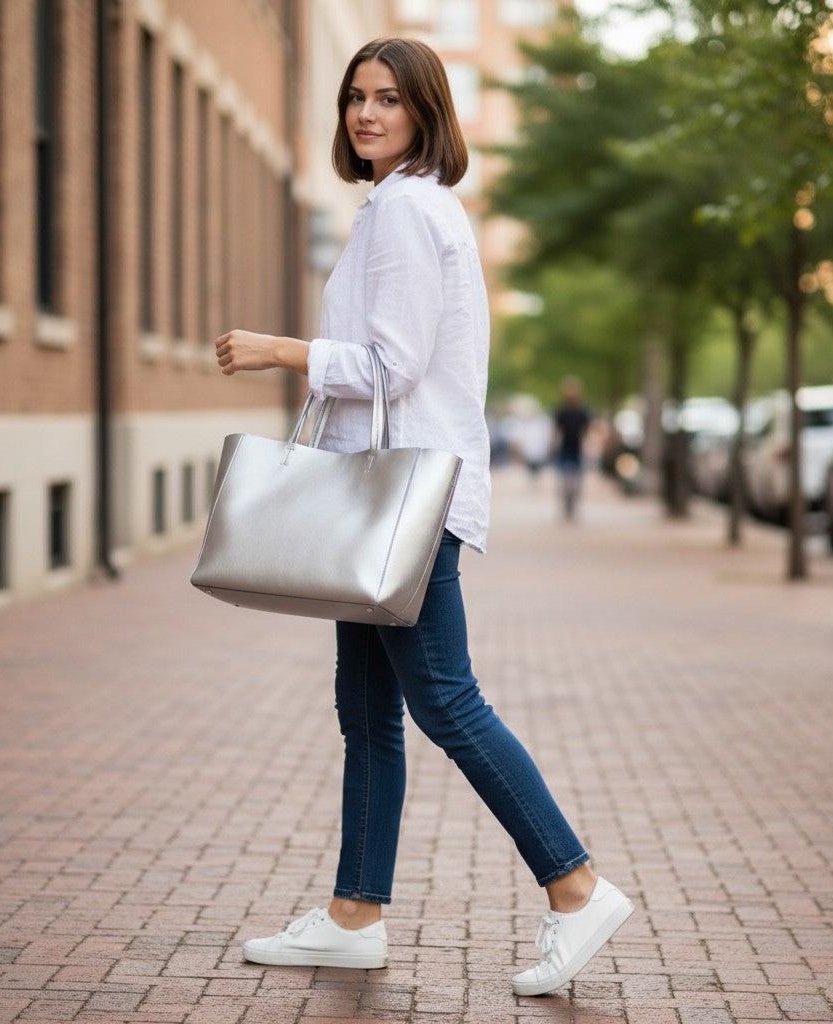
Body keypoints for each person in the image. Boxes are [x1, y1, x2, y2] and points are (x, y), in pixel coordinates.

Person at [214, 36, 633, 998]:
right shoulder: (400, 207)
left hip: (402, 500)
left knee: (444, 699)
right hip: (383, 499)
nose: (366, 114)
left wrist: (282, 350)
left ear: (426, 114)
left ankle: (576, 887)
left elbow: (392, 368)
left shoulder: (405, 210)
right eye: (356, 97)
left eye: (389, 100)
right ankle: (356, 916)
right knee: (368, 710)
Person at [554, 376, 592, 520]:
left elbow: (586, 431)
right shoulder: (561, 412)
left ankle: (574, 502)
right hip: (565, 448)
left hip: (577, 448)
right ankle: (566, 502)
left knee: (577, 478)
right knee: (564, 478)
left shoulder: (583, 412)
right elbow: (557, 430)